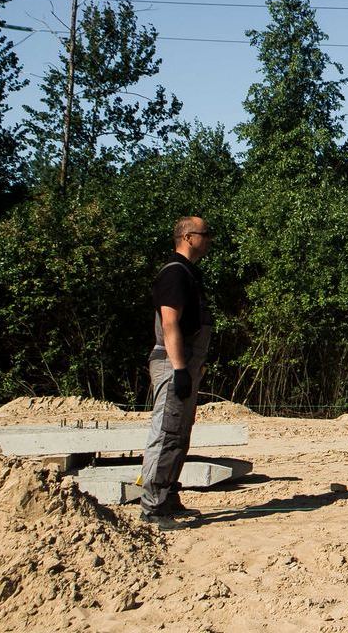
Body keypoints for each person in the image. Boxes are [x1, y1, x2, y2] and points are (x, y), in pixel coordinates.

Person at [139, 216, 216, 529]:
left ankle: (168, 498)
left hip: (185, 362)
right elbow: (170, 323)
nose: (209, 239)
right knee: (167, 432)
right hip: (174, 362)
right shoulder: (174, 273)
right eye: (205, 234)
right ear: (187, 236)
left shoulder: (188, 273)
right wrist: (181, 368)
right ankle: (152, 509)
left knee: (180, 435)